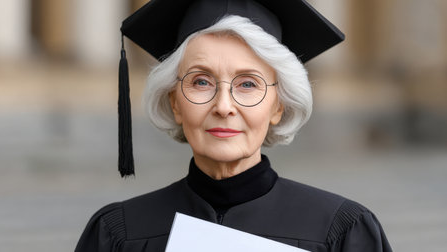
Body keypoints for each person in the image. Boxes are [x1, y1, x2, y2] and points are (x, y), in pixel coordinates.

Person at [76, 0, 392, 251]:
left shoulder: (342, 232)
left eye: (247, 85)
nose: (224, 107)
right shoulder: (118, 234)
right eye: (201, 81)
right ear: (175, 102)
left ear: (278, 106)